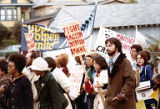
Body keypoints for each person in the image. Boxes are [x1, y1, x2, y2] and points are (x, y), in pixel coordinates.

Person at [104, 37, 136, 109]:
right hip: (111, 101)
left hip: (122, 103)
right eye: (106, 46)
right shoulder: (110, 62)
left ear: (117, 47)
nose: (107, 48)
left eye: (110, 46)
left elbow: (130, 80)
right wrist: (107, 95)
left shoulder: (125, 62)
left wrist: (121, 95)